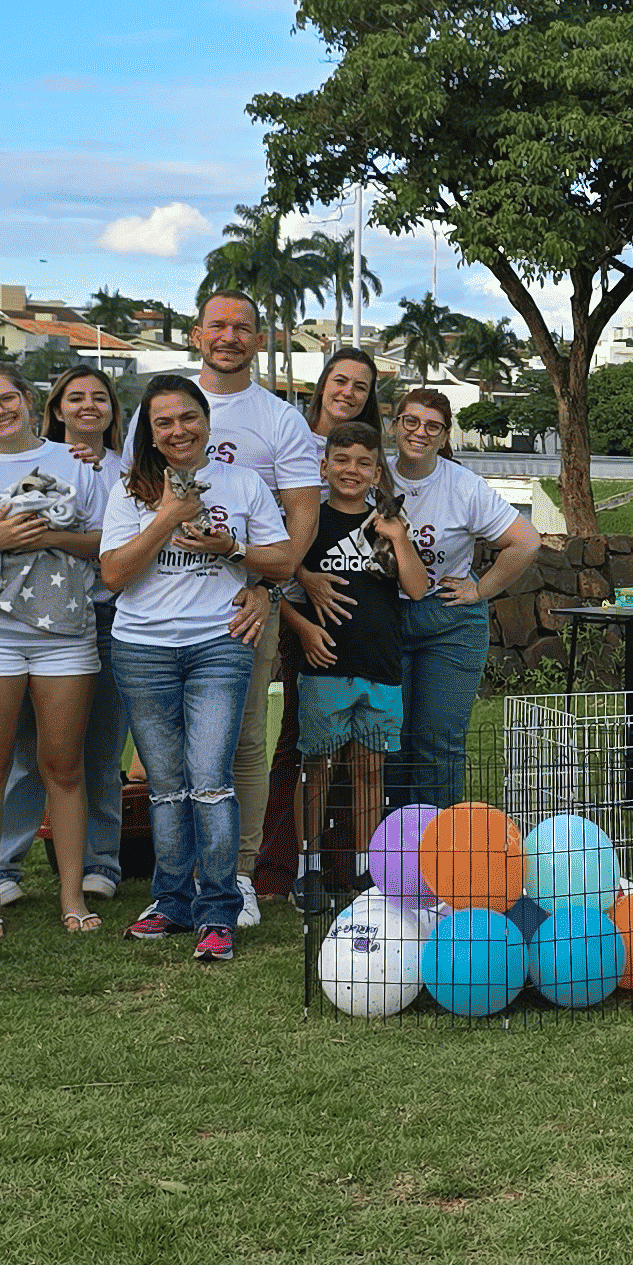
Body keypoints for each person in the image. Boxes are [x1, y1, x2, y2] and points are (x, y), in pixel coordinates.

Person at [100, 373, 295, 960]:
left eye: (188, 417)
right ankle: (171, 901)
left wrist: (230, 548)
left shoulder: (243, 483)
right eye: (163, 422)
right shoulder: (130, 490)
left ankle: (217, 911)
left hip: (218, 643)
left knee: (209, 780)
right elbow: (114, 575)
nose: (178, 430)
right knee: (165, 787)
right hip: (142, 649)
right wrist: (167, 516)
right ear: (150, 432)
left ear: (208, 422)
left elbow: (283, 561)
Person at [0, 360, 106, 939]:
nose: (0, 411)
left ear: (29, 400)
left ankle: (72, 896)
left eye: (7, 399)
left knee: (64, 765)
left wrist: (49, 535)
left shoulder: (76, 463)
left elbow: (108, 543)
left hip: (65, 637)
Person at [184, 289, 323, 925]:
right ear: (197, 334)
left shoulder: (280, 420)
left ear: (258, 341)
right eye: (218, 325)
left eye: (242, 327)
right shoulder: (165, 404)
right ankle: (180, 870)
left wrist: (268, 586)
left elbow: (300, 524)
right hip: (165, 603)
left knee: (242, 741)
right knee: (172, 744)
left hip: (247, 604)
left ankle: (236, 873)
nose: (229, 336)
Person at [0, 363, 128, 909]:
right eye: (75, 397)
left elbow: (116, 545)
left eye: (99, 396)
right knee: (26, 749)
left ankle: (100, 863)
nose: (88, 405)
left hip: (109, 618)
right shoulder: (36, 462)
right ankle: (2, 866)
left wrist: (60, 537)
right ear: (56, 408)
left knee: (100, 750)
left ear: (113, 409)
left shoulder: (132, 469)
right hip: (37, 620)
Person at [253, 343, 385, 905]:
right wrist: (302, 580)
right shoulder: (291, 440)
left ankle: (348, 868)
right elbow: (271, 528)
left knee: (358, 759)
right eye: (340, 380)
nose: (347, 393)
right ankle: (281, 865)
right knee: (301, 748)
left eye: (360, 386)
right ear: (323, 384)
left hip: (361, 636)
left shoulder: (368, 458)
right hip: (295, 612)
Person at [286, 415, 430, 905]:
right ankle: (309, 869)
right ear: (324, 466)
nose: (351, 470)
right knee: (318, 768)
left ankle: (367, 870)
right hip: (324, 664)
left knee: (370, 770)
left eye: (364, 463)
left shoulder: (387, 526)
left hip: (380, 666)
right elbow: (274, 587)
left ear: (376, 472)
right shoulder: (308, 522)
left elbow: (416, 589)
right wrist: (304, 629)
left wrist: (399, 537)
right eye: (342, 460)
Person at [384, 384, 537, 808]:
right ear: (395, 425)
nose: (420, 432)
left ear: (445, 436)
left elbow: (526, 542)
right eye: (411, 421)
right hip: (385, 618)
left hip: (448, 621)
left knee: (438, 742)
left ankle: (436, 842)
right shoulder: (374, 475)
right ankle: (390, 841)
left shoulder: (464, 487)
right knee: (389, 741)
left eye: (433, 426)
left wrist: (480, 589)